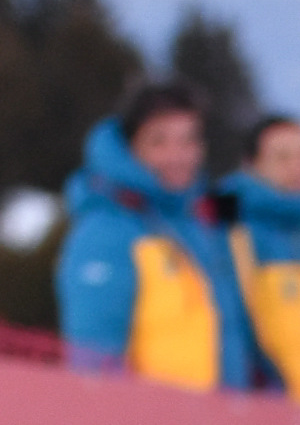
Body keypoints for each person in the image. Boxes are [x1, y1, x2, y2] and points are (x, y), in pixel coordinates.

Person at [55, 80, 269, 391]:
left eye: (189, 141)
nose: (177, 156)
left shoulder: (203, 225)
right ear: (131, 147)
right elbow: (94, 361)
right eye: (159, 142)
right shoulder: (106, 231)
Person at [221, 111, 300, 408]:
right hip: (268, 412)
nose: (298, 167)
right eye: (282, 158)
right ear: (252, 166)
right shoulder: (232, 229)